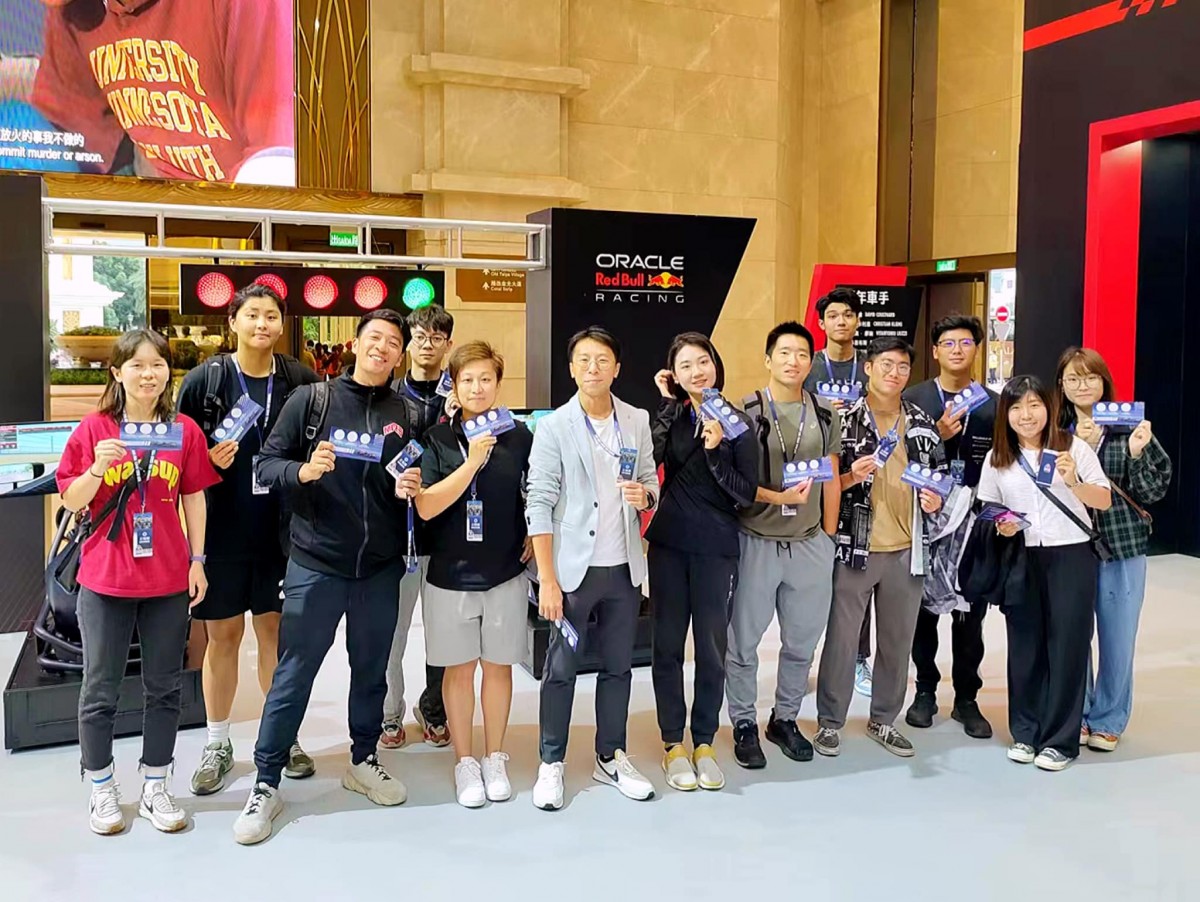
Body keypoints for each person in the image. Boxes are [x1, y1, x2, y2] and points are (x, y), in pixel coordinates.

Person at [231, 310, 423, 845]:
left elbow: (417, 476)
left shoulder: (407, 412)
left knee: (371, 672)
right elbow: (265, 465)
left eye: (393, 342)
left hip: (378, 569)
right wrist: (304, 471)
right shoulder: (312, 401)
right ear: (355, 344)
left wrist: (411, 486)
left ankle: (363, 760)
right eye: (374, 338)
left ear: (400, 355)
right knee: (294, 674)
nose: (382, 348)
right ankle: (266, 781)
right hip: (315, 565)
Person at [57, 329, 220, 835]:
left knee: (165, 688)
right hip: (105, 580)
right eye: (137, 365)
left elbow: (194, 496)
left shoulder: (183, 430)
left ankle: (155, 785)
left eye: (157, 365)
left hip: (168, 579)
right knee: (100, 689)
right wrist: (98, 467)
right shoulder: (94, 429)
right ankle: (102, 787)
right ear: (117, 372)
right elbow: (71, 499)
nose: (149, 375)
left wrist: (197, 559)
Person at [176, 283, 320, 796]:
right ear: (233, 321)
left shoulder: (300, 380)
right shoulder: (205, 381)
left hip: (283, 532)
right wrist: (203, 462)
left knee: (276, 634)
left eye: (272, 315)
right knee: (223, 637)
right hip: (222, 531)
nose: (262, 323)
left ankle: (282, 737)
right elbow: (179, 455)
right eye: (253, 314)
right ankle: (217, 743)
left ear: (282, 324)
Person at [526, 326, 660, 810]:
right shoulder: (554, 427)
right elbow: (538, 502)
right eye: (583, 359)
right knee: (561, 669)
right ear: (571, 368)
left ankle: (610, 755)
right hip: (571, 573)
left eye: (602, 360)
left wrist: (646, 496)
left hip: (623, 568)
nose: (593, 368)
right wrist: (547, 578)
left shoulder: (636, 419)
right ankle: (551, 761)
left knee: (619, 668)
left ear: (617, 368)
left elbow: (651, 481)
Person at [412, 341, 533, 807]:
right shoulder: (438, 439)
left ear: (498, 384)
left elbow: (538, 492)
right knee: (458, 671)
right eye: (467, 380)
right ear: (454, 386)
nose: (477, 388)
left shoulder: (519, 436)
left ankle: (495, 755)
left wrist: (534, 531)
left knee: (498, 667)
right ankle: (465, 761)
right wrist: (471, 463)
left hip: (505, 571)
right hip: (450, 575)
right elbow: (426, 506)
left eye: (486, 379)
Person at [815, 337, 947, 758]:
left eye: (903, 367)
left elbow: (941, 476)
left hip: (907, 548)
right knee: (842, 639)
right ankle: (830, 722)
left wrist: (936, 499)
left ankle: (883, 719)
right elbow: (824, 484)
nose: (895, 373)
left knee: (897, 640)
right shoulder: (842, 419)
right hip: (855, 545)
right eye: (886, 364)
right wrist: (851, 477)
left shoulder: (922, 421)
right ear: (868, 368)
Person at [977, 375, 1111, 771]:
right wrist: (1001, 525)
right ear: (1006, 414)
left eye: (1034, 405)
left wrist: (1074, 482)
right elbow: (988, 506)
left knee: (1068, 645)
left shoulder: (1074, 447)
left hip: (1070, 555)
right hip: (1022, 557)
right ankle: (1026, 732)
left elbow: (1103, 499)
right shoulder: (998, 457)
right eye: (1017, 407)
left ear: (1049, 408)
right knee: (1024, 646)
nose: (1026, 415)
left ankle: (1060, 741)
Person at [725, 322, 842, 770]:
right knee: (743, 641)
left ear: (811, 363)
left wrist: (828, 536)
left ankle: (785, 718)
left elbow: (832, 477)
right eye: (785, 353)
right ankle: (743, 722)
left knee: (801, 641)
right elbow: (732, 478)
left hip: (809, 544)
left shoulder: (825, 413)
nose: (794, 361)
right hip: (755, 541)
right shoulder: (746, 410)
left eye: (802, 354)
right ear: (768, 359)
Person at [648, 333, 757, 790]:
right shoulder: (672, 416)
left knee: (712, 649)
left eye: (703, 361)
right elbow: (650, 458)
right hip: (669, 545)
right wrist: (666, 404)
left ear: (716, 364)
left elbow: (746, 494)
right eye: (686, 365)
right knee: (667, 646)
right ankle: (673, 743)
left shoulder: (738, 423)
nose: (697, 371)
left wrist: (715, 454)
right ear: (675, 374)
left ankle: (705, 741)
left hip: (716, 548)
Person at [31, 0, 295, 184]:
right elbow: (65, 142)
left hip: (241, 216)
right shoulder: (71, 10)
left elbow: (276, 166)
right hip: (157, 207)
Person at [1056, 348, 1171, 752]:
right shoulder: (1056, 432)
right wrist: (1079, 449)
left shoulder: (1130, 427)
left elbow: (1153, 490)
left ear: (1104, 382)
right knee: (1073, 635)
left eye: (1090, 377)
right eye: (1073, 378)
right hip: (1070, 547)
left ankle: (1108, 718)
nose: (1082, 385)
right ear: (1062, 386)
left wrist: (1137, 454)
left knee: (1118, 638)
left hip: (1122, 547)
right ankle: (1078, 712)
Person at [901, 315, 996, 738]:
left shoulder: (995, 404)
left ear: (977, 348)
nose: (957, 350)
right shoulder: (914, 398)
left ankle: (966, 698)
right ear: (936, 351)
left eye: (965, 342)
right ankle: (924, 691)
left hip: (973, 523)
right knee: (922, 612)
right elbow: (900, 457)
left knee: (969, 614)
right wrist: (936, 435)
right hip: (925, 517)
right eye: (949, 343)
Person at [381, 304, 456, 749]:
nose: (428, 345)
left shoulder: (461, 397)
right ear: (409, 342)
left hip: (447, 536)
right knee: (392, 632)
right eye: (421, 336)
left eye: (437, 338)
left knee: (443, 633)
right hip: (397, 535)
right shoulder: (387, 395)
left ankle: (433, 708)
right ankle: (389, 712)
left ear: (448, 344)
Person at [803, 287, 875, 697]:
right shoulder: (810, 367)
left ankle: (859, 659)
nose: (841, 321)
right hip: (817, 481)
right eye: (833, 315)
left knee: (858, 573)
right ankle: (805, 656)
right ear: (822, 323)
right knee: (813, 578)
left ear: (858, 321)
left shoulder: (870, 367)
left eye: (848, 314)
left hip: (862, 480)